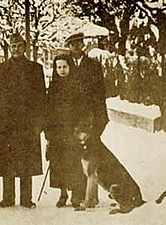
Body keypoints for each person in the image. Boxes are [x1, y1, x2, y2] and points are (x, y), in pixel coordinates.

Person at [0, 32, 47, 208]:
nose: (16, 49)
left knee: (26, 160)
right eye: (13, 46)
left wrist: (39, 123)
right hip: (6, 123)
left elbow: (41, 98)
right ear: (9, 48)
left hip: (27, 123)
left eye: (19, 46)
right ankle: (7, 198)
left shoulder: (35, 68)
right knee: (7, 160)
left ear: (24, 47)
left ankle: (26, 199)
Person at [63, 32, 109, 208]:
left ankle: (92, 196)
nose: (75, 46)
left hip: (90, 117)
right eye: (72, 43)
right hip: (71, 118)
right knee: (74, 158)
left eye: (78, 43)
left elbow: (100, 92)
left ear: (83, 44)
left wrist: (99, 119)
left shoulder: (93, 65)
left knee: (91, 156)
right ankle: (77, 194)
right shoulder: (64, 64)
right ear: (68, 46)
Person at [45, 54, 88, 208]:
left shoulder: (77, 86)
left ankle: (76, 195)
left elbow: (84, 109)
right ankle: (63, 194)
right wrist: (48, 133)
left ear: (70, 67)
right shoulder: (53, 87)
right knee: (59, 163)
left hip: (73, 131)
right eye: (59, 67)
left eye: (65, 67)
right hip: (57, 132)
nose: (62, 70)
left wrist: (81, 128)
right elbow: (48, 111)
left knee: (74, 162)